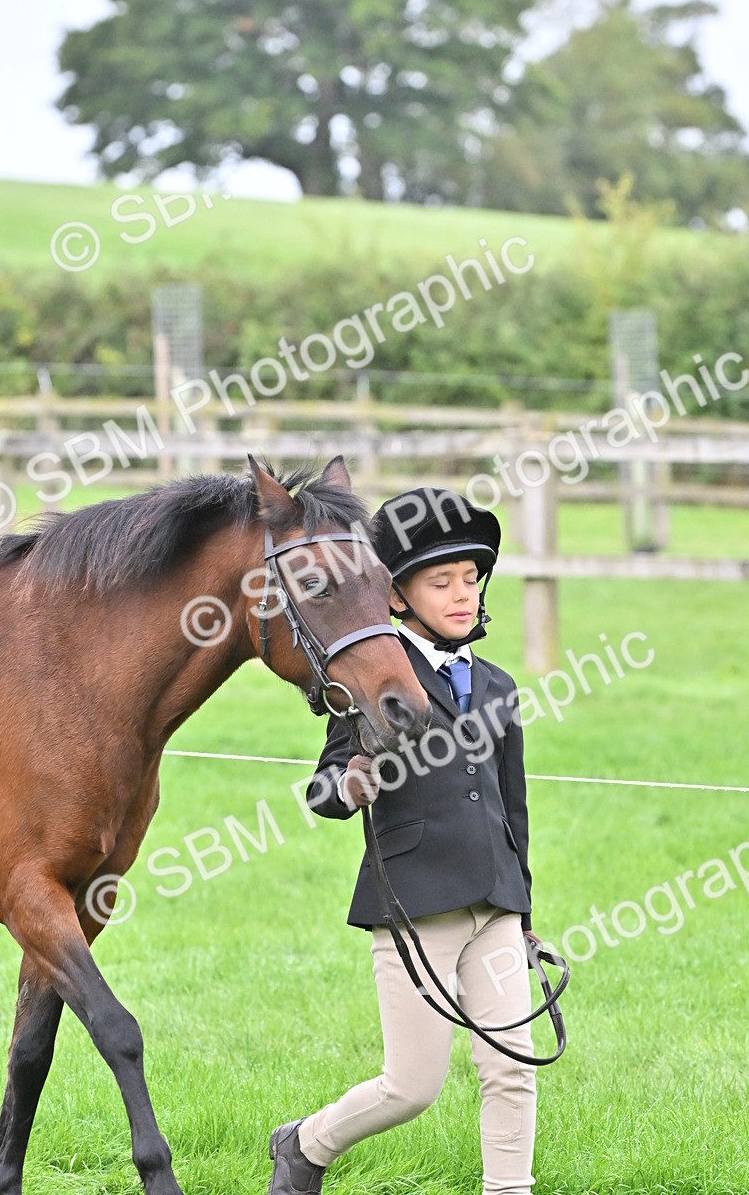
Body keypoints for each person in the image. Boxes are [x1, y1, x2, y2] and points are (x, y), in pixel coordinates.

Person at [268, 487, 541, 1195]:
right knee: (412, 1086)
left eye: (471, 580)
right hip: (415, 905)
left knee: (512, 1065)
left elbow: (514, 808)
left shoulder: (499, 686)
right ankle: (304, 1144)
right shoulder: (376, 677)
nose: (462, 594)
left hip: (497, 906)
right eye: (441, 581)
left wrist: (527, 918)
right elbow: (324, 787)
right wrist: (352, 785)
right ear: (395, 597)